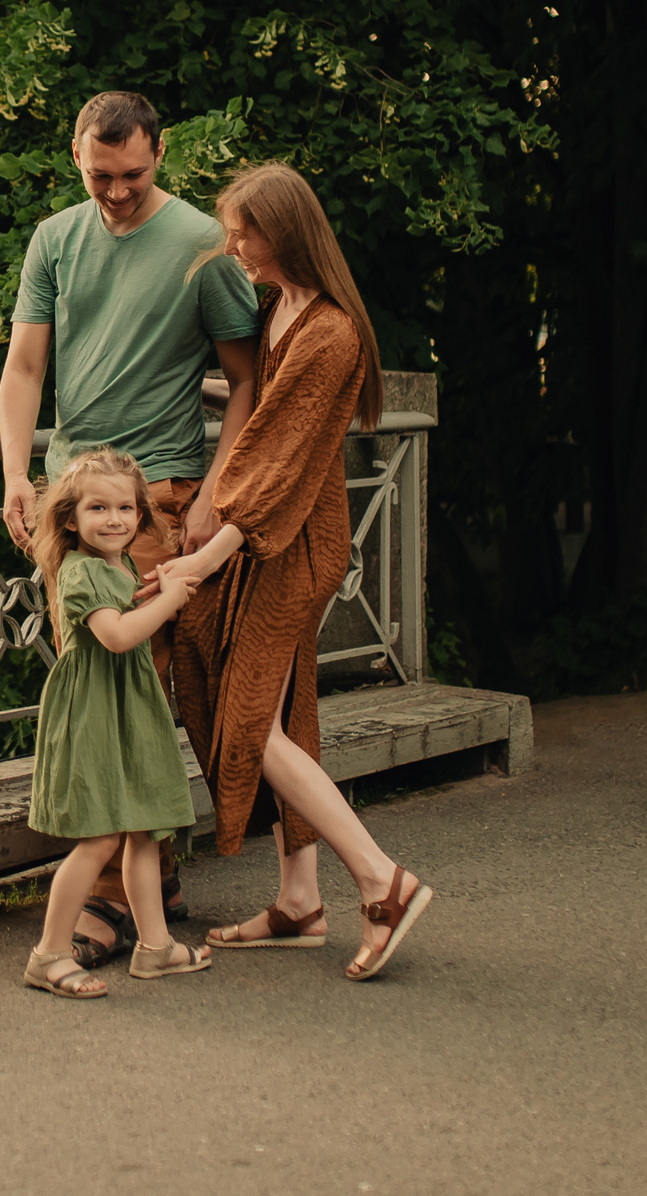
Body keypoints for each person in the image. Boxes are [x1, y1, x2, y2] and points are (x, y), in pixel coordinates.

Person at [0, 90, 259, 965]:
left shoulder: (200, 245)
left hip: (156, 496)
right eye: (98, 174)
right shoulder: (54, 239)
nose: (114, 191)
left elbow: (246, 382)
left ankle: (108, 903)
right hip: (72, 495)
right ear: (76, 154)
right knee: (106, 681)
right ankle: (154, 873)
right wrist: (16, 478)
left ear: (161, 154)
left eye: (133, 174)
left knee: (127, 678)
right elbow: (27, 364)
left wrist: (213, 494)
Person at [166, 161, 435, 981]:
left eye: (246, 231)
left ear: (287, 230)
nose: (235, 245)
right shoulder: (283, 308)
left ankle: (382, 881)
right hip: (267, 539)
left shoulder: (331, 333)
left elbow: (281, 455)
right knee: (278, 711)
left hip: (294, 546)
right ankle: (299, 900)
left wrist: (206, 553)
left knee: (251, 725)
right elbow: (265, 411)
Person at [21, 448, 213, 998]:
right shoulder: (79, 571)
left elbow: (127, 612)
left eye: (126, 508)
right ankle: (49, 954)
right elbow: (118, 635)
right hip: (96, 715)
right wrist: (172, 598)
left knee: (144, 828)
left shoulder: (118, 564)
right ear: (69, 519)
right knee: (100, 836)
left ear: (141, 514)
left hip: (126, 708)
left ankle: (155, 947)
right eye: (98, 508)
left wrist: (157, 585)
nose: (114, 520)